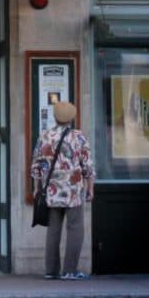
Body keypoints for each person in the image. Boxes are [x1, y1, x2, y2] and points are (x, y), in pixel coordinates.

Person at [30, 100, 95, 280]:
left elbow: (36, 165)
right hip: (73, 190)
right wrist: (91, 188)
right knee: (75, 229)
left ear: (55, 117)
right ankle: (69, 271)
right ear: (71, 118)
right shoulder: (78, 137)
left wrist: (37, 188)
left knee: (53, 230)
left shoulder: (45, 136)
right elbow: (87, 165)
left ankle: (51, 271)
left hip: (51, 190)